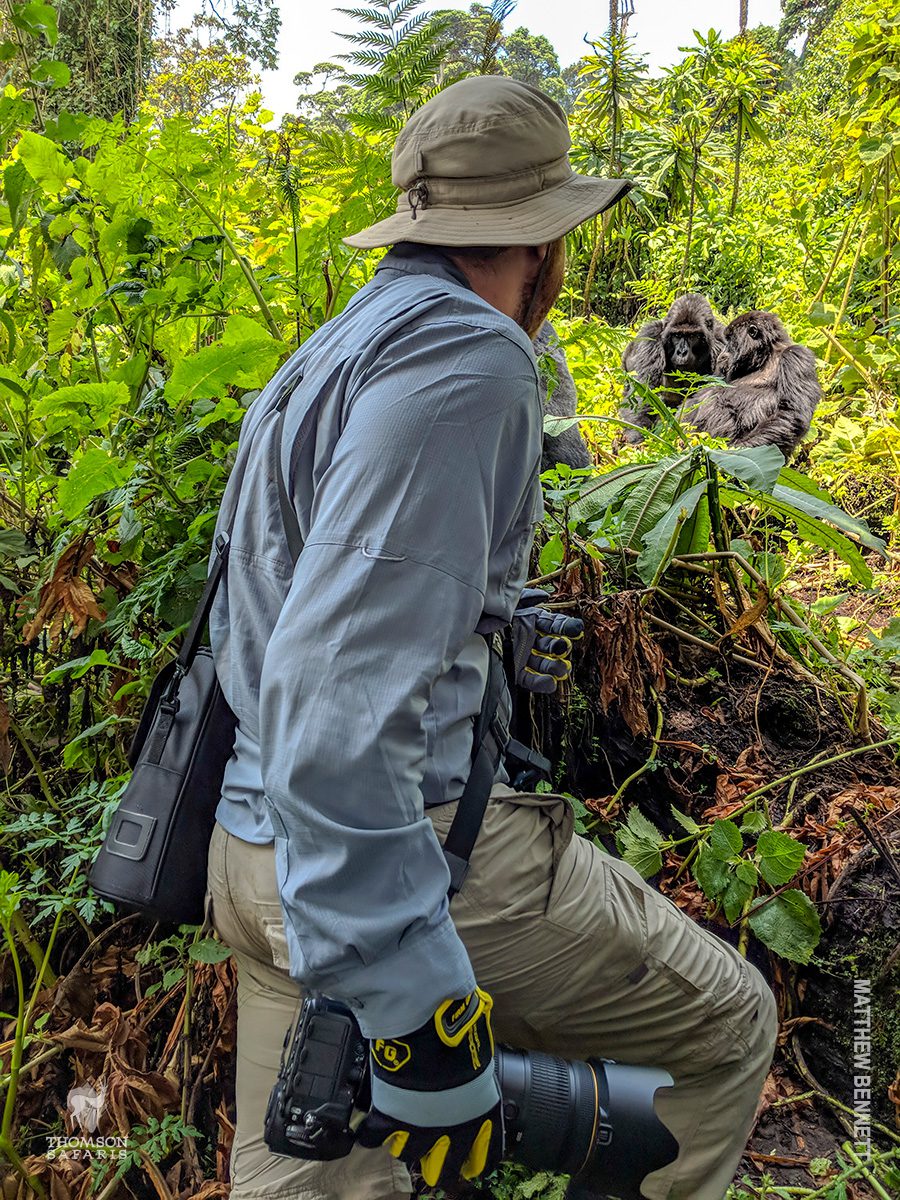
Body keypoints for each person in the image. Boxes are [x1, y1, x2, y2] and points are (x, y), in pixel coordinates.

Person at [206, 76, 777, 1200]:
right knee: (720, 1028)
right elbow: (335, 692)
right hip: (403, 852)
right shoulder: (467, 358)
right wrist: (414, 1003)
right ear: (547, 242)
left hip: (259, 851)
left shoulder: (336, 344)